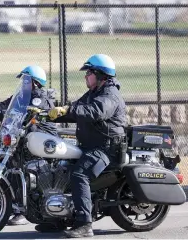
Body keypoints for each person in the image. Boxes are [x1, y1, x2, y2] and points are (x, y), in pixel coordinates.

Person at [0, 65, 58, 226]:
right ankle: (13, 207)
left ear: (35, 83)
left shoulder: (39, 98)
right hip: (22, 142)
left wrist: (0, 114)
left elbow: (28, 113)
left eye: (25, 80)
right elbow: (3, 106)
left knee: (27, 172)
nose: (22, 83)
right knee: (10, 169)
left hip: (39, 143)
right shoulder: (21, 97)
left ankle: (23, 210)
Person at [47, 54, 127, 238]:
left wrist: (68, 110)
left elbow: (95, 112)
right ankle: (55, 218)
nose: (85, 76)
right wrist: (49, 114)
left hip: (106, 148)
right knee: (60, 168)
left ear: (101, 74)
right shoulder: (93, 93)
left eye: (89, 72)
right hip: (90, 145)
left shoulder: (110, 95)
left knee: (79, 175)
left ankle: (84, 224)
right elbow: (76, 109)